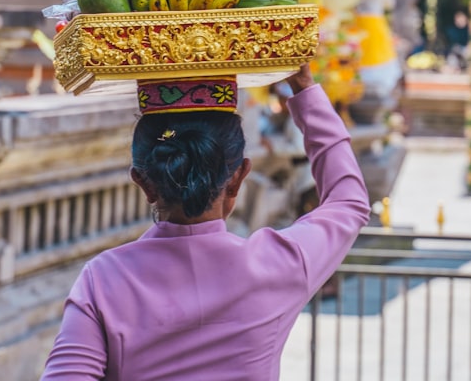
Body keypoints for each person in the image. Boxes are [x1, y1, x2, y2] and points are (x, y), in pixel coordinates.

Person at [41, 66, 371, 380]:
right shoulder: (281, 262)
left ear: (142, 183)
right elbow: (348, 202)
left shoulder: (104, 278)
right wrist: (304, 90)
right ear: (240, 176)